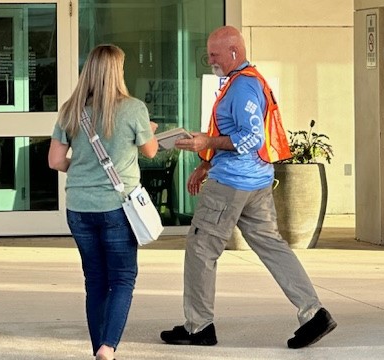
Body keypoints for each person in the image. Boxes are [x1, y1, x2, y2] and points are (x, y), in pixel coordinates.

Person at [160, 26, 336, 349]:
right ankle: (313, 314)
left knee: (200, 250)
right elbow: (243, 138)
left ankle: (199, 327)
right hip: (255, 183)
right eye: (208, 53)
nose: (209, 59)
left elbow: (252, 139)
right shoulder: (246, 82)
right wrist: (205, 163)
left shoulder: (242, 89)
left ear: (233, 53)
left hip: (230, 186)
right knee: (273, 247)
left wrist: (206, 142)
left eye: (214, 54)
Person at [49, 44, 159, 360]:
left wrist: (84, 169)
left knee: (95, 281)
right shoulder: (134, 108)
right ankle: (108, 348)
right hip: (117, 207)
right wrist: (149, 132)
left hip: (79, 208)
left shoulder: (71, 108)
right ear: (117, 71)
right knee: (122, 279)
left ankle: (99, 347)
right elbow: (150, 151)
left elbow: (56, 161)